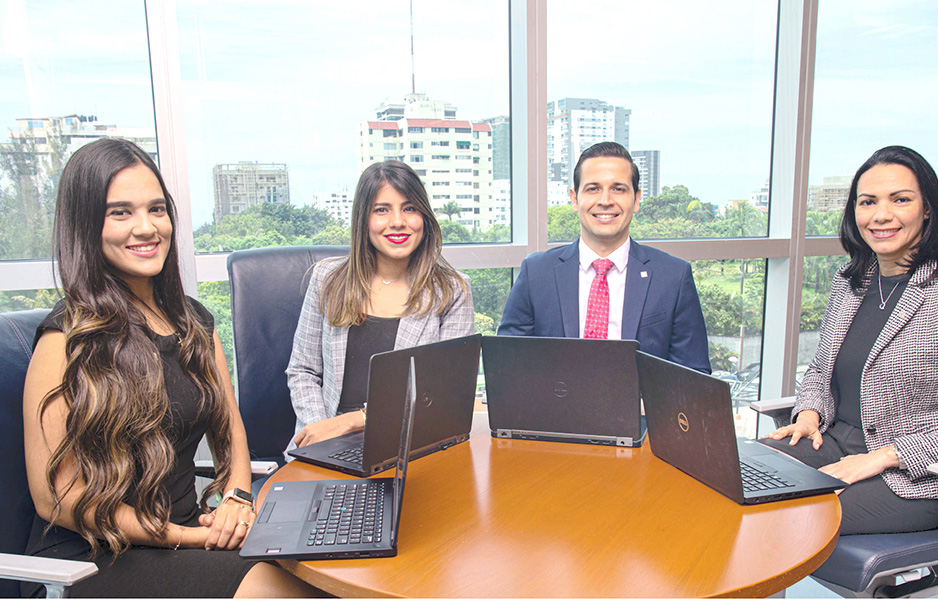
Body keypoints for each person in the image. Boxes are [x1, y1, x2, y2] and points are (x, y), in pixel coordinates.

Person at [21, 138, 319, 597]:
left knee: (326, 569)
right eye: (120, 212)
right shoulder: (64, 340)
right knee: (288, 589)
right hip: (99, 558)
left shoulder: (192, 320)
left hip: (186, 538)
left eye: (156, 209)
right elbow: (55, 500)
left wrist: (238, 501)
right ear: (85, 226)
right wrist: (193, 538)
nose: (146, 227)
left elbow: (230, 433)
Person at [762, 145, 938, 535]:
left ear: (927, 209)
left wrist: (889, 456)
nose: (881, 215)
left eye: (900, 199)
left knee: (778, 518)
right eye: (868, 201)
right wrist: (809, 414)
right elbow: (822, 369)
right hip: (834, 443)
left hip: (917, 479)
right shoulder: (851, 281)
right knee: (727, 478)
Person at [287, 160, 474, 448]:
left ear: (424, 216)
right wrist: (321, 431)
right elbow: (303, 371)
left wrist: (355, 420)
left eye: (409, 208)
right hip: (325, 444)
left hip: (410, 448)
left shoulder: (450, 290)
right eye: (382, 210)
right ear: (364, 219)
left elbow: (443, 393)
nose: (397, 221)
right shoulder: (327, 279)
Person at [498, 141, 711, 373]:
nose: (605, 201)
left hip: (639, 410)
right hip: (555, 408)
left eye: (618, 189)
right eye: (593, 189)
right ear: (574, 198)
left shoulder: (673, 277)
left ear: (637, 199)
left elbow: (694, 378)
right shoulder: (536, 274)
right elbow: (508, 369)